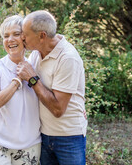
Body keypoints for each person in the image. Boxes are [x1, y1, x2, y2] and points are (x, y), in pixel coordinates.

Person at [16, 10, 88, 165]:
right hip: (43, 135)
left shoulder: (68, 58)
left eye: (25, 34)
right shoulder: (36, 53)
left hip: (69, 137)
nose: (22, 38)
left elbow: (58, 109)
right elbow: (22, 81)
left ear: (42, 36)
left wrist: (33, 79)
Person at [0, 15, 41, 165]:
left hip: (30, 145)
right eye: (6, 36)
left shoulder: (36, 63)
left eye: (16, 34)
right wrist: (18, 79)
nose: (10, 39)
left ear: (25, 37)